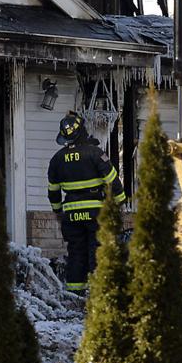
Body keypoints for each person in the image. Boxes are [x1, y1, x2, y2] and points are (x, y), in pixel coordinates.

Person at [46, 111, 126, 294]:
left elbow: (53, 191)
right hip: (95, 211)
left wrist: (58, 212)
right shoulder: (95, 154)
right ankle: (98, 292)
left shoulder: (56, 160)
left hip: (70, 214)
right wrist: (120, 202)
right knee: (97, 251)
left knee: (75, 253)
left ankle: (74, 293)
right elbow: (113, 180)